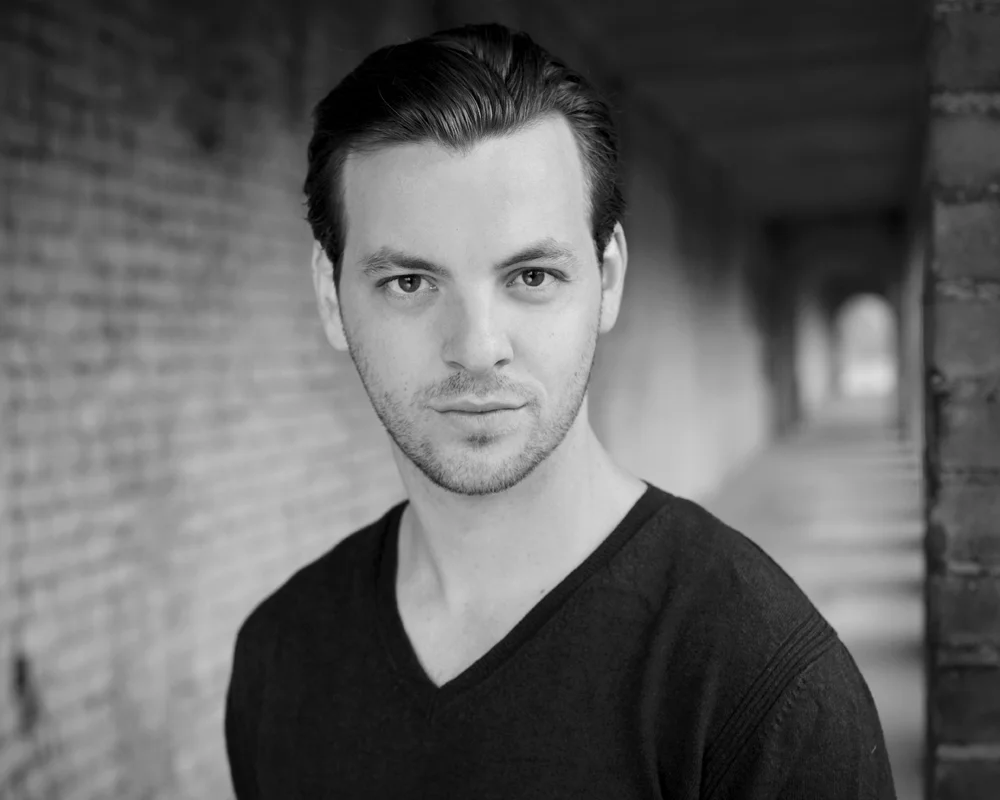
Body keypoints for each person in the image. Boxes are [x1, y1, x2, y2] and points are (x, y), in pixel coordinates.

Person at [224, 22, 897, 799]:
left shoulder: (761, 685)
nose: (477, 348)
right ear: (330, 297)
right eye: (410, 283)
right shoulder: (281, 655)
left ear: (606, 280)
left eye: (532, 277)